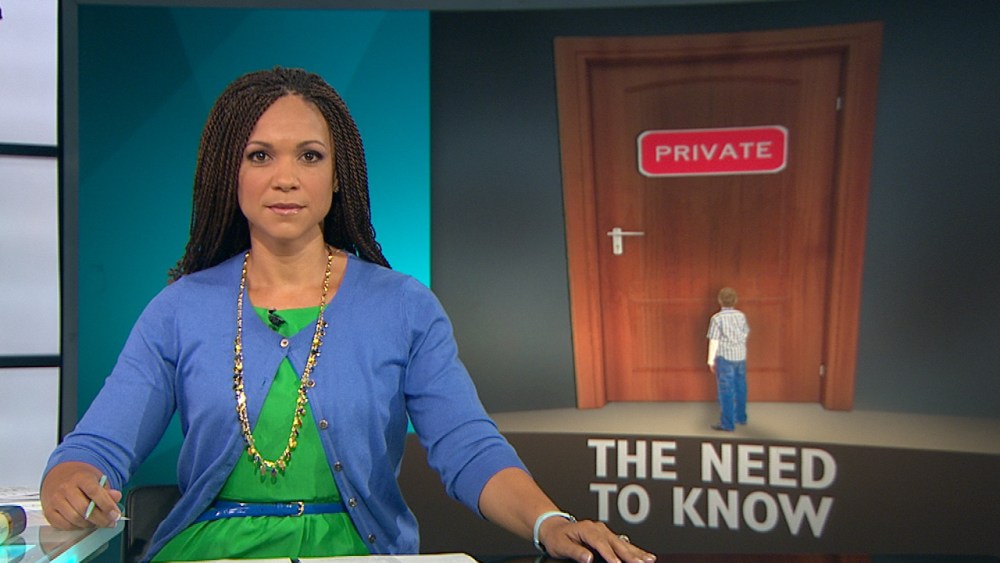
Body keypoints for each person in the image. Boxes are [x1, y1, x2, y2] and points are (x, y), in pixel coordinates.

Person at [40, 67, 656, 563]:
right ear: (230, 174)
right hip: (210, 552)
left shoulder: (403, 306)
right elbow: (98, 446)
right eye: (260, 156)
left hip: (361, 551)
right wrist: (68, 481)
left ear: (339, 178)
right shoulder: (179, 309)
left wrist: (549, 522)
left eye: (309, 156)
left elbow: (467, 446)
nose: (286, 178)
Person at [706, 287, 750, 432]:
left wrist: (710, 360)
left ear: (720, 300)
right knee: (741, 387)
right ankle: (741, 417)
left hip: (725, 358)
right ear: (735, 300)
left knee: (726, 390)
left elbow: (714, 341)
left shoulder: (717, 318)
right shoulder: (741, 316)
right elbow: (745, 333)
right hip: (740, 356)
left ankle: (727, 423)